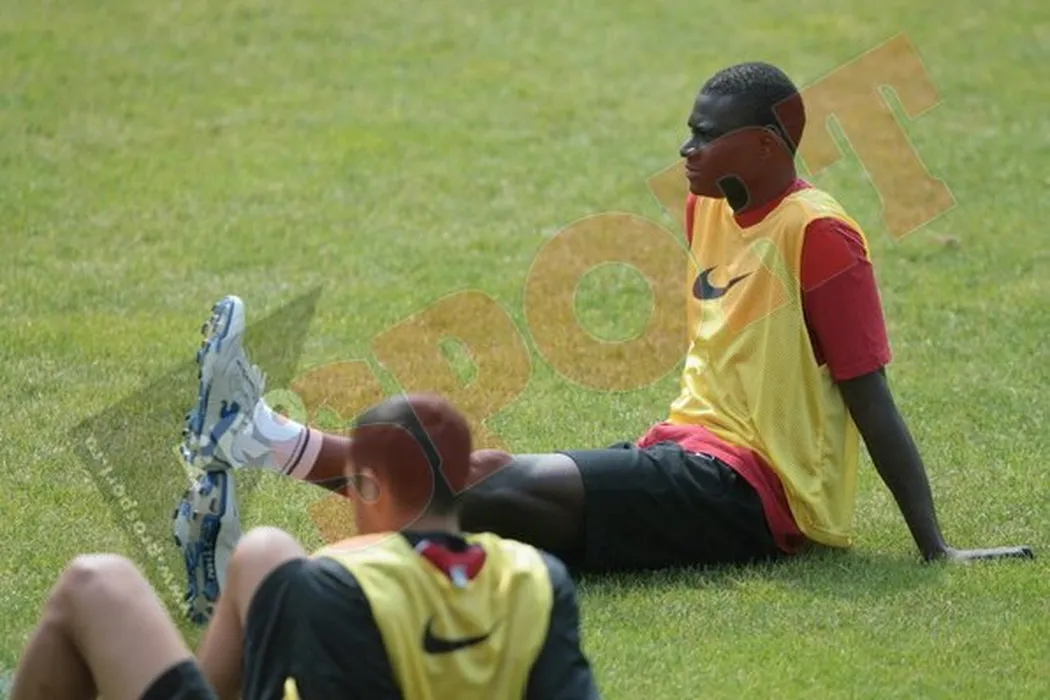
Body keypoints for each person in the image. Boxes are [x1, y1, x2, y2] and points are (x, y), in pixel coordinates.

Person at [175, 60, 1032, 623]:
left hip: (752, 494)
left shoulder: (822, 237)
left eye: (707, 135)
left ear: (767, 146)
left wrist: (936, 546)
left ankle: (260, 475)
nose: (687, 148)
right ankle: (257, 493)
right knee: (483, 498)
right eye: (689, 130)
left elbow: (869, 394)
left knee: (491, 488)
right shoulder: (708, 206)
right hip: (684, 453)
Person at [13, 393, 600, 699]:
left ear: (366, 484)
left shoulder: (336, 586)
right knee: (264, 549)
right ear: (468, 477)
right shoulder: (538, 576)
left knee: (96, 581)